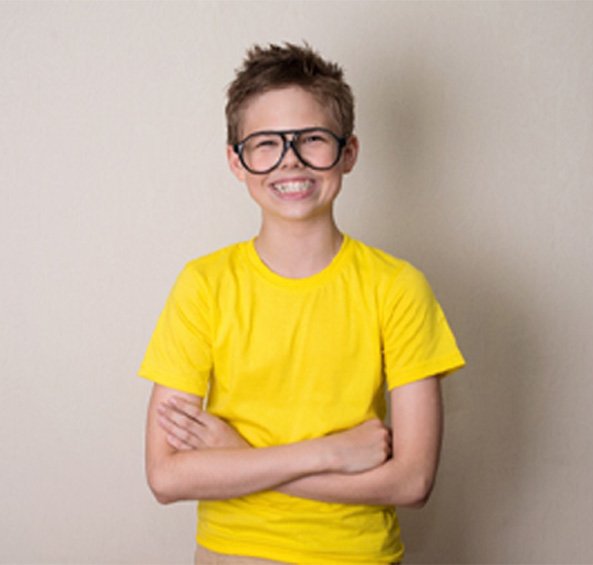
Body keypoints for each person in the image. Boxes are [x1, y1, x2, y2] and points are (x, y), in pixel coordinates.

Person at [138, 42, 465, 565]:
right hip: (232, 554)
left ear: (348, 151)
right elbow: (166, 475)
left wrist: (241, 460)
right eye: (265, 143)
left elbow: (412, 480)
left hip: (358, 556)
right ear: (236, 162)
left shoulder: (398, 286)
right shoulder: (204, 284)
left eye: (311, 139)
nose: (289, 161)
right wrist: (329, 453)